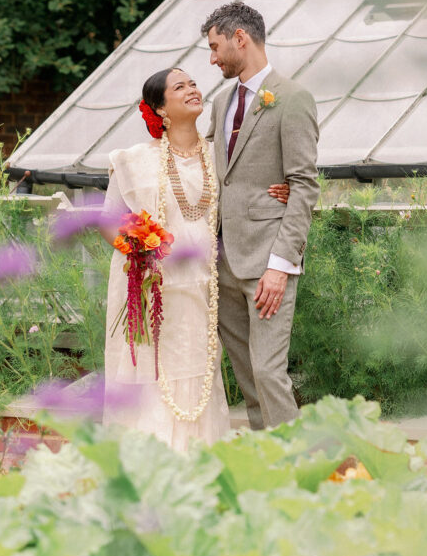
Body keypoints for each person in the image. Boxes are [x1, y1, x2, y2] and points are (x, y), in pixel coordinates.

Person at [101, 66, 289, 452]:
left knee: (197, 375)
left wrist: (281, 191)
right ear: (160, 108)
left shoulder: (218, 156)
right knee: (153, 377)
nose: (192, 89)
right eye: (179, 86)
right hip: (152, 290)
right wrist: (140, 250)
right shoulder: (132, 160)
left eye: (193, 83)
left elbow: (248, 189)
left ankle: (196, 462)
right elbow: (108, 222)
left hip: (203, 290)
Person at [202, 2, 319, 430]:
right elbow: (212, 170)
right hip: (222, 262)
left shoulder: (293, 98)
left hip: (267, 262)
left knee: (269, 372)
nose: (212, 59)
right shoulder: (220, 103)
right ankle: (267, 458)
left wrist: (280, 266)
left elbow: (304, 183)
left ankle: (299, 458)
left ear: (240, 38)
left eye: (215, 47)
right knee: (248, 376)